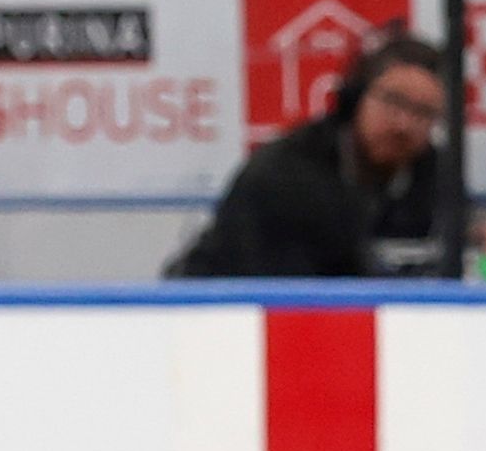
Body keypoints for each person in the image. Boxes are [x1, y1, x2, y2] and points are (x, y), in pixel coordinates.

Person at [169, 32, 454, 276]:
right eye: (394, 101)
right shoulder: (283, 173)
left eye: (423, 113)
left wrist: (479, 244)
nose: (404, 124)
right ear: (355, 96)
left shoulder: (436, 175)